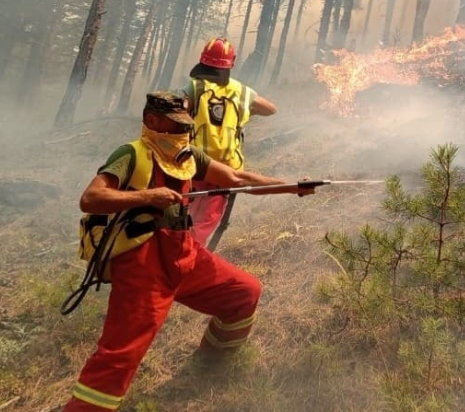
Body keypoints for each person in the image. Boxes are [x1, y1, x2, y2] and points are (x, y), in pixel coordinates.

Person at [63, 91, 313, 412]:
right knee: (120, 354)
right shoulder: (131, 154)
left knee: (243, 292)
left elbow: (237, 178)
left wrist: (293, 186)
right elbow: (91, 198)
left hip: (185, 253)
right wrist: (147, 196)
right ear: (152, 121)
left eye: (186, 123)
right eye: (175, 123)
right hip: (142, 263)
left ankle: (209, 366)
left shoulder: (187, 155)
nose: (183, 131)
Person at [183, 37, 277, 248]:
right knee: (204, 224)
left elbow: (177, 109)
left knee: (181, 220)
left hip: (195, 167)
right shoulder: (241, 91)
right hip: (227, 172)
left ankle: (178, 263)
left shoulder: (194, 87)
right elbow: (271, 109)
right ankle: (189, 263)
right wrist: (245, 111)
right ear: (231, 63)